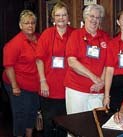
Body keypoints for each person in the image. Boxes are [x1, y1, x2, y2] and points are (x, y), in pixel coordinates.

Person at [35, 2, 74, 137]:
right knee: (49, 124)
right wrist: (42, 80)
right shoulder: (46, 34)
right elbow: (39, 60)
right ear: (53, 18)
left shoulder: (75, 34)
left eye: (64, 15)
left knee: (66, 125)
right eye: (58, 15)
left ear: (68, 17)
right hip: (49, 87)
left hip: (69, 88)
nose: (61, 18)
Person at [64, 4, 110, 114]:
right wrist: (94, 78)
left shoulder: (106, 37)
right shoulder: (76, 35)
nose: (94, 20)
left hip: (98, 90)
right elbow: (72, 62)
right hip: (77, 89)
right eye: (92, 16)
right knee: (76, 125)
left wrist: (101, 82)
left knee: (96, 126)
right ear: (85, 17)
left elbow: (108, 64)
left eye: (98, 17)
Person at [2, 10, 40, 137]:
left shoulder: (39, 38)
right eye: (26, 23)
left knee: (32, 111)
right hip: (17, 83)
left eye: (32, 23)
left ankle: (29, 135)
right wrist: (14, 86)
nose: (30, 25)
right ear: (20, 25)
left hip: (34, 84)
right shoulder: (14, 44)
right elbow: (8, 66)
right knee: (20, 113)